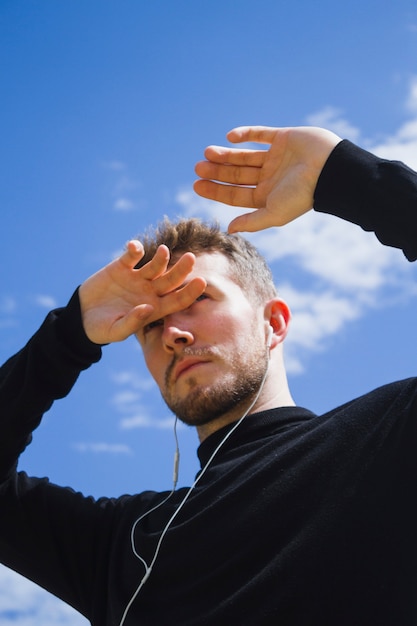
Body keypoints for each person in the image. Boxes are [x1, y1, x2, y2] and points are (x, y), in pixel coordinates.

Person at [1, 125, 417, 626]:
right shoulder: (122, 545)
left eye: (198, 300)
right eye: (149, 323)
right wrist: (68, 335)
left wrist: (351, 178)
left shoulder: (390, 435)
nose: (172, 331)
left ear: (274, 321)